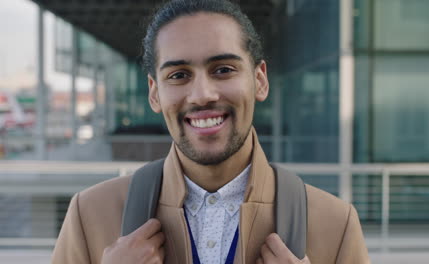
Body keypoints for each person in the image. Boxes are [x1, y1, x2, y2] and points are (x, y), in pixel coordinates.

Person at [52, 0, 370, 263]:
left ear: (259, 80)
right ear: (154, 93)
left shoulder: (336, 225)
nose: (202, 94)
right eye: (178, 75)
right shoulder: (89, 215)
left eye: (223, 70)